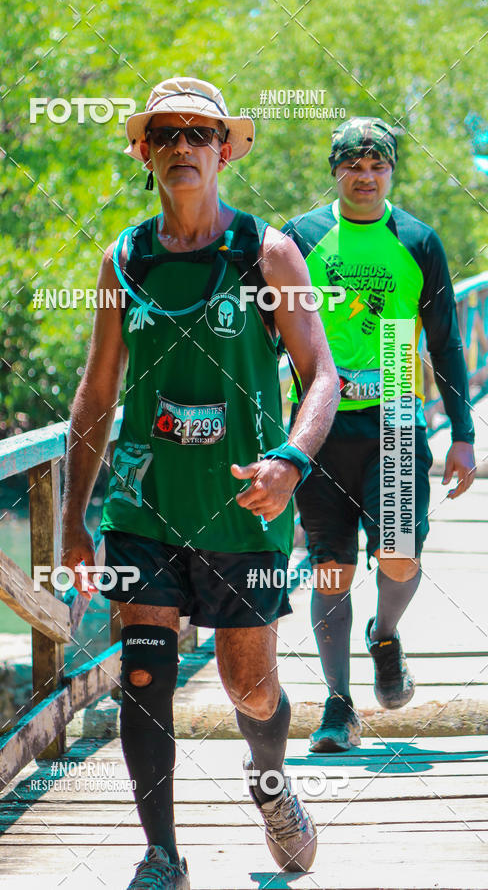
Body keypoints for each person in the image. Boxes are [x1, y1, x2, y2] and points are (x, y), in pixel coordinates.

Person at [61, 76, 340, 888]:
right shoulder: (125, 259)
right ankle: (162, 857)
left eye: (199, 133)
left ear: (224, 151)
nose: (183, 146)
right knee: (144, 676)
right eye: (167, 134)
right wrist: (73, 520)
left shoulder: (265, 252)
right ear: (145, 152)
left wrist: (291, 460)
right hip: (142, 506)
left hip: (244, 509)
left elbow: (322, 375)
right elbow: (97, 393)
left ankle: (271, 781)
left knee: (248, 686)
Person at [282, 116, 476, 753]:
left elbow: (446, 342)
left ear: (391, 171)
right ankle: (338, 706)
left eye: (377, 166)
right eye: (352, 166)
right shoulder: (301, 237)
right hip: (319, 424)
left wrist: (464, 433)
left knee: (398, 555)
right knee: (329, 569)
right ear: (335, 170)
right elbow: (268, 335)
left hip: (394, 418)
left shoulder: (417, 241)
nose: (365, 177)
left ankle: (384, 635)